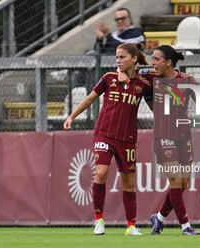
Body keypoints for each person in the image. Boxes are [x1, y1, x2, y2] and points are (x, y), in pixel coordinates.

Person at [118, 45, 200, 235]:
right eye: (152, 59)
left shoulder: (187, 80)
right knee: (175, 180)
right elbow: (127, 66)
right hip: (163, 136)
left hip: (183, 136)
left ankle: (160, 218)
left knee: (183, 184)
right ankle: (186, 226)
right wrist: (119, 71)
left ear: (168, 62)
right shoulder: (151, 76)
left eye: (157, 59)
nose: (153, 63)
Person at [64, 42, 152, 236]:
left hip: (127, 138)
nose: (118, 61)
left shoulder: (144, 83)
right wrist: (71, 117)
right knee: (101, 173)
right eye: (117, 58)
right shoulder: (109, 78)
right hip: (104, 133)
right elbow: (89, 99)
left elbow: (156, 91)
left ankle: (131, 226)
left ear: (134, 58)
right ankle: (99, 221)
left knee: (128, 182)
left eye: (122, 57)